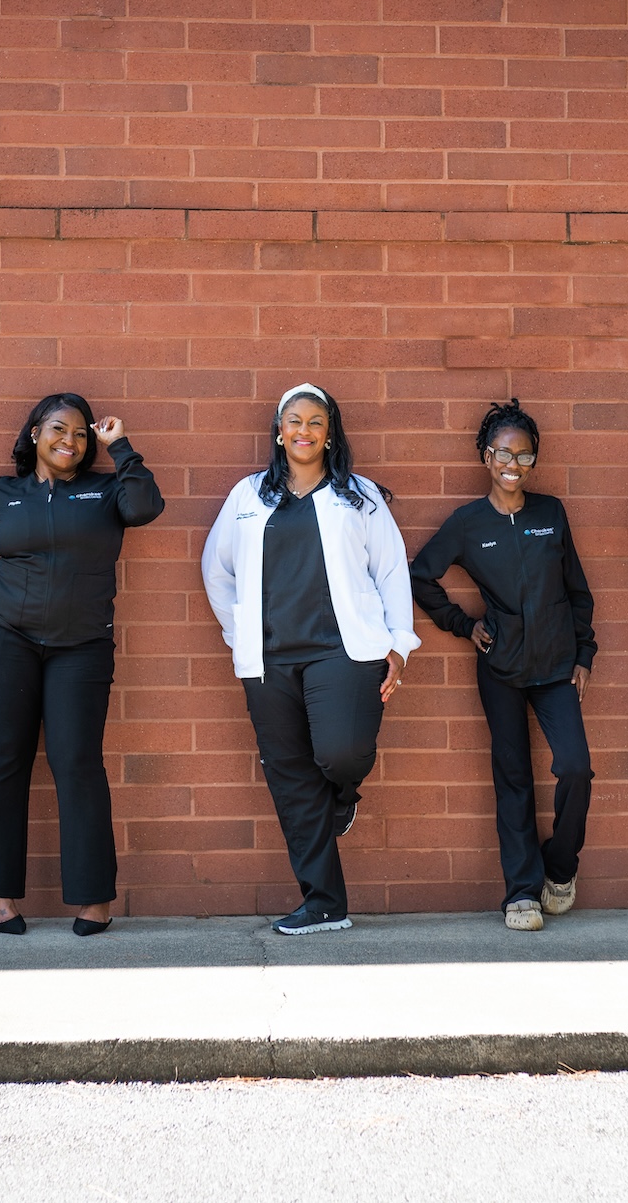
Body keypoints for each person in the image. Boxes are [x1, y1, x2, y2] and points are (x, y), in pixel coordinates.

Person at [0, 394, 164, 937]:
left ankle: (94, 898)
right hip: (4, 641)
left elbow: (145, 507)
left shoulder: (106, 490)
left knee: (77, 762)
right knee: (4, 760)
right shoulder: (4, 494)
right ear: (35, 434)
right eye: (58, 429)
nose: (68, 441)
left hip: (82, 646)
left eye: (79, 433)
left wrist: (120, 446)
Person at [202, 382, 420, 936]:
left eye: (316, 422)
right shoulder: (249, 495)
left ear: (330, 434)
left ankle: (342, 797)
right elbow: (217, 569)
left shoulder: (359, 496)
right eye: (294, 421)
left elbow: (391, 568)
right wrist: (240, 634)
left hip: (343, 650)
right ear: (279, 432)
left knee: (342, 753)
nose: (304, 430)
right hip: (269, 659)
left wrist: (399, 643)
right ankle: (324, 903)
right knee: (290, 776)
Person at [410, 399, 597, 932]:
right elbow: (421, 575)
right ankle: (521, 894)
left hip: (556, 667)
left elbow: (577, 592)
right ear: (486, 457)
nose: (514, 464)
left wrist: (584, 653)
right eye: (503, 453)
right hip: (501, 667)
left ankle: (559, 867)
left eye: (524, 455)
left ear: (534, 460)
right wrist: (463, 624)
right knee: (513, 779)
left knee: (576, 768)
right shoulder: (467, 523)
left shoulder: (550, 514)